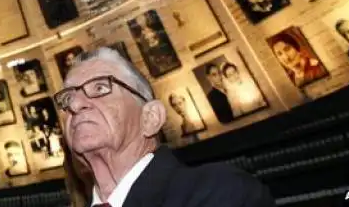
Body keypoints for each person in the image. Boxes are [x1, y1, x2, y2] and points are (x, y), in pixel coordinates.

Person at [57, 47, 274, 206]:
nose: (75, 105)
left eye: (100, 87)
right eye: (67, 99)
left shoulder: (221, 191)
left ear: (151, 117)